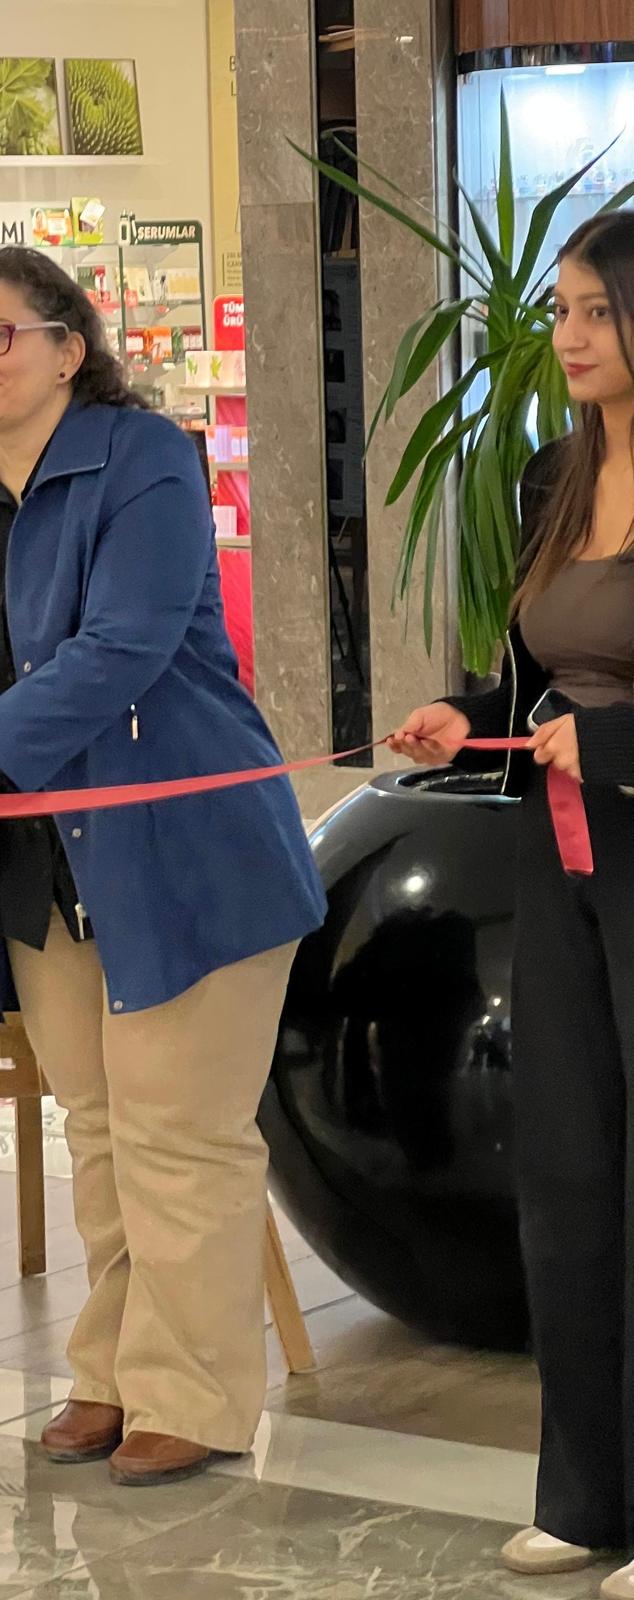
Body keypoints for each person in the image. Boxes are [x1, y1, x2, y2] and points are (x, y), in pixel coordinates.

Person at [0, 246, 326, 1487]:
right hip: (42, 867)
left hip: (184, 857)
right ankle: (117, 1371)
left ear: (66, 348)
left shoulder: (144, 459)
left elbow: (122, 645)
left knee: (177, 1137)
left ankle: (192, 1393)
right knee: (98, 1131)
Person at [393, 211, 634, 1598]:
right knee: (568, 1173)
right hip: (562, 856)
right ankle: (587, 1497)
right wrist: (468, 712)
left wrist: (609, 743)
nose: (568, 335)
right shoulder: (555, 473)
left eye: (596, 309)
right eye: (560, 309)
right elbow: (534, 678)